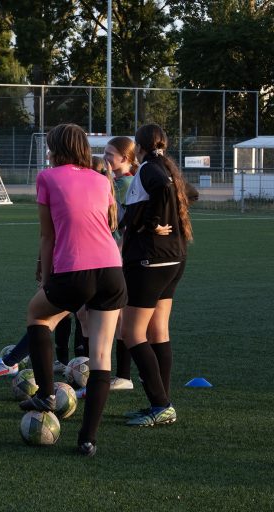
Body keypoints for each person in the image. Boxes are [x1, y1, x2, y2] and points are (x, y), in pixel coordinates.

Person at [18, 123, 126, 457]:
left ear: (55, 148)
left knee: (36, 315)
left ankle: (47, 394)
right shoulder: (101, 178)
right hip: (111, 269)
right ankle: (87, 439)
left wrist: (46, 278)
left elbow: (47, 235)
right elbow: (110, 224)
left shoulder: (47, 177)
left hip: (74, 271)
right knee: (102, 356)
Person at [120, 124, 193, 427]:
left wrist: (151, 223)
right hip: (174, 258)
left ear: (139, 146)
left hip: (150, 259)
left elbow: (159, 192)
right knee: (158, 330)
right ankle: (161, 403)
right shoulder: (168, 167)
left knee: (131, 333)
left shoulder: (150, 169)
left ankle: (161, 403)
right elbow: (190, 193)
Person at [104, 136, 138, 391]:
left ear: (125, 158)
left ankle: (124, 376)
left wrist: (119, 249)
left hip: (119, 255)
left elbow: (126, 223)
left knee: (120, 318)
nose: (105, 158)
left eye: (110, 154)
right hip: (113, 253)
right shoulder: (118, 181)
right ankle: (119, 374)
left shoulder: (125, 183)